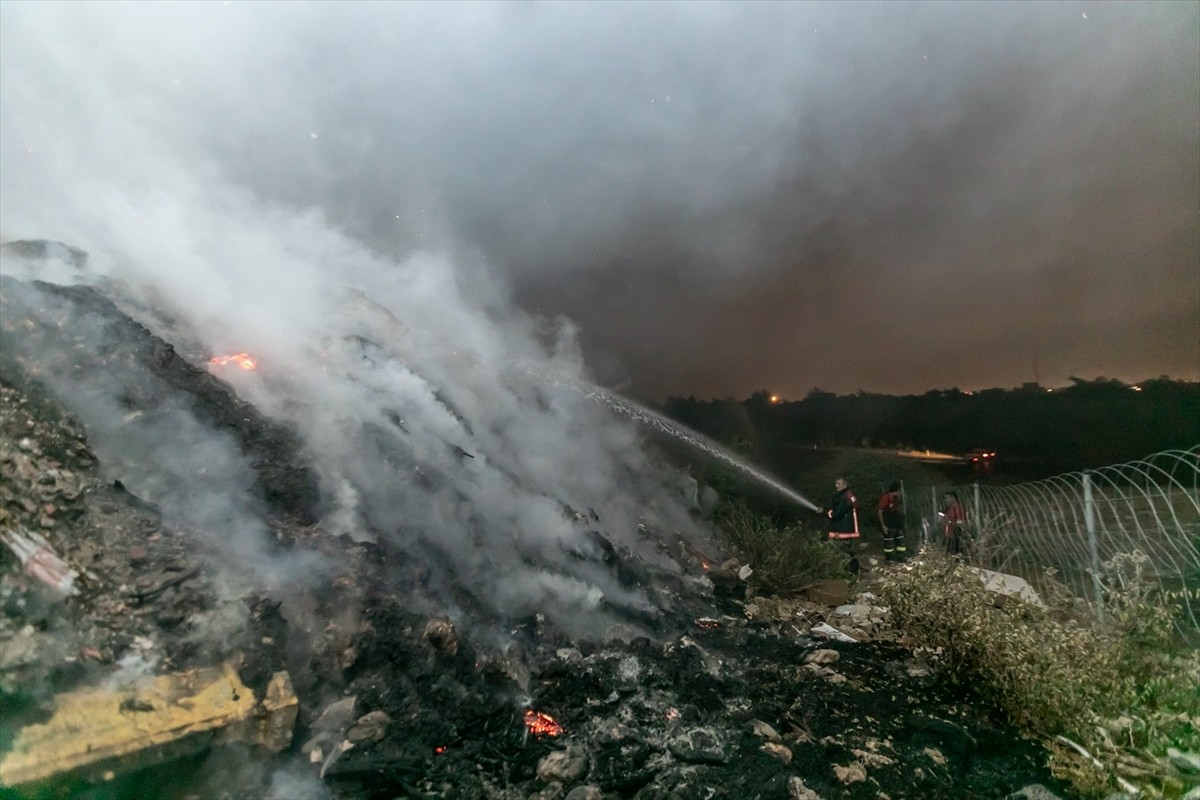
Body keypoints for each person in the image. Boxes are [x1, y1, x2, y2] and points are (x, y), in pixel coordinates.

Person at [822, 477, 860, 574]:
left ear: (845, 485)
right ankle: (850, 568)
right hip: (847, 526)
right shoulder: (849, 495)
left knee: (843, 549)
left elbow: (837, 514)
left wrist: (824, 512)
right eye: (836, 483)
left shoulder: (843, 497)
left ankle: (851, 569)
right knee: (845, 548)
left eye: (838, 484)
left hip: (843, 528)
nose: (836, 486)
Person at [877, 481, 906, 561]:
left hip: (896, 521)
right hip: (888, 521)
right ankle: (889, 559)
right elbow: (880, 511)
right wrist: (883, 525)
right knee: (889, 540)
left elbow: (898, 509)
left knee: (900, 538)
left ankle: (901, 557)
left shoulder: (898, 499)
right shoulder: (885, 498)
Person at [941, 491, 966, 556]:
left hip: (955, 534)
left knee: (954, 555)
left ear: (953, 498)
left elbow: (961, 522)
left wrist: (949, 522)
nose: (946, 500)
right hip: (949, 535)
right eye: (945, 498)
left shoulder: (957, 508)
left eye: (947, 498)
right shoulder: (949, 509)